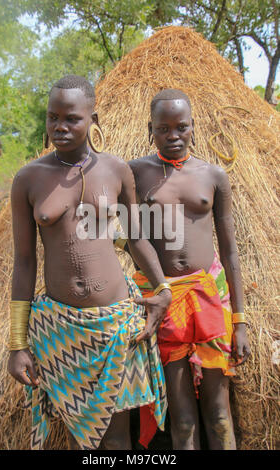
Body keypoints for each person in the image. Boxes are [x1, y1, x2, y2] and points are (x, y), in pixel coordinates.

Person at [7, 75, 172, 450]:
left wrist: (162, 288)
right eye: (53, 118)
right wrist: (17, 344)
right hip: (60, 331)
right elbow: (23, 262)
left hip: (115, 322)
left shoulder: (115, 170)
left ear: (92, 119)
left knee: (116, 440)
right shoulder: (28, 180)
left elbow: (137, 237)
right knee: (82, 440)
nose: (60, 127)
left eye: (72, 119)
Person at [118, 88, 250, 450]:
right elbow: (133, 238)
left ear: (193, 127)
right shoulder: (135, 173)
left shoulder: (213, 175)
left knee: (219, 411)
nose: (173, 136)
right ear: (151, 129)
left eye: (181, 127)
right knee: (183, 417)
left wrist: (239, 320)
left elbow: (230, 251)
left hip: (209, 297)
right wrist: (160, 289)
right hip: (162, 298)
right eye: (164, 129)